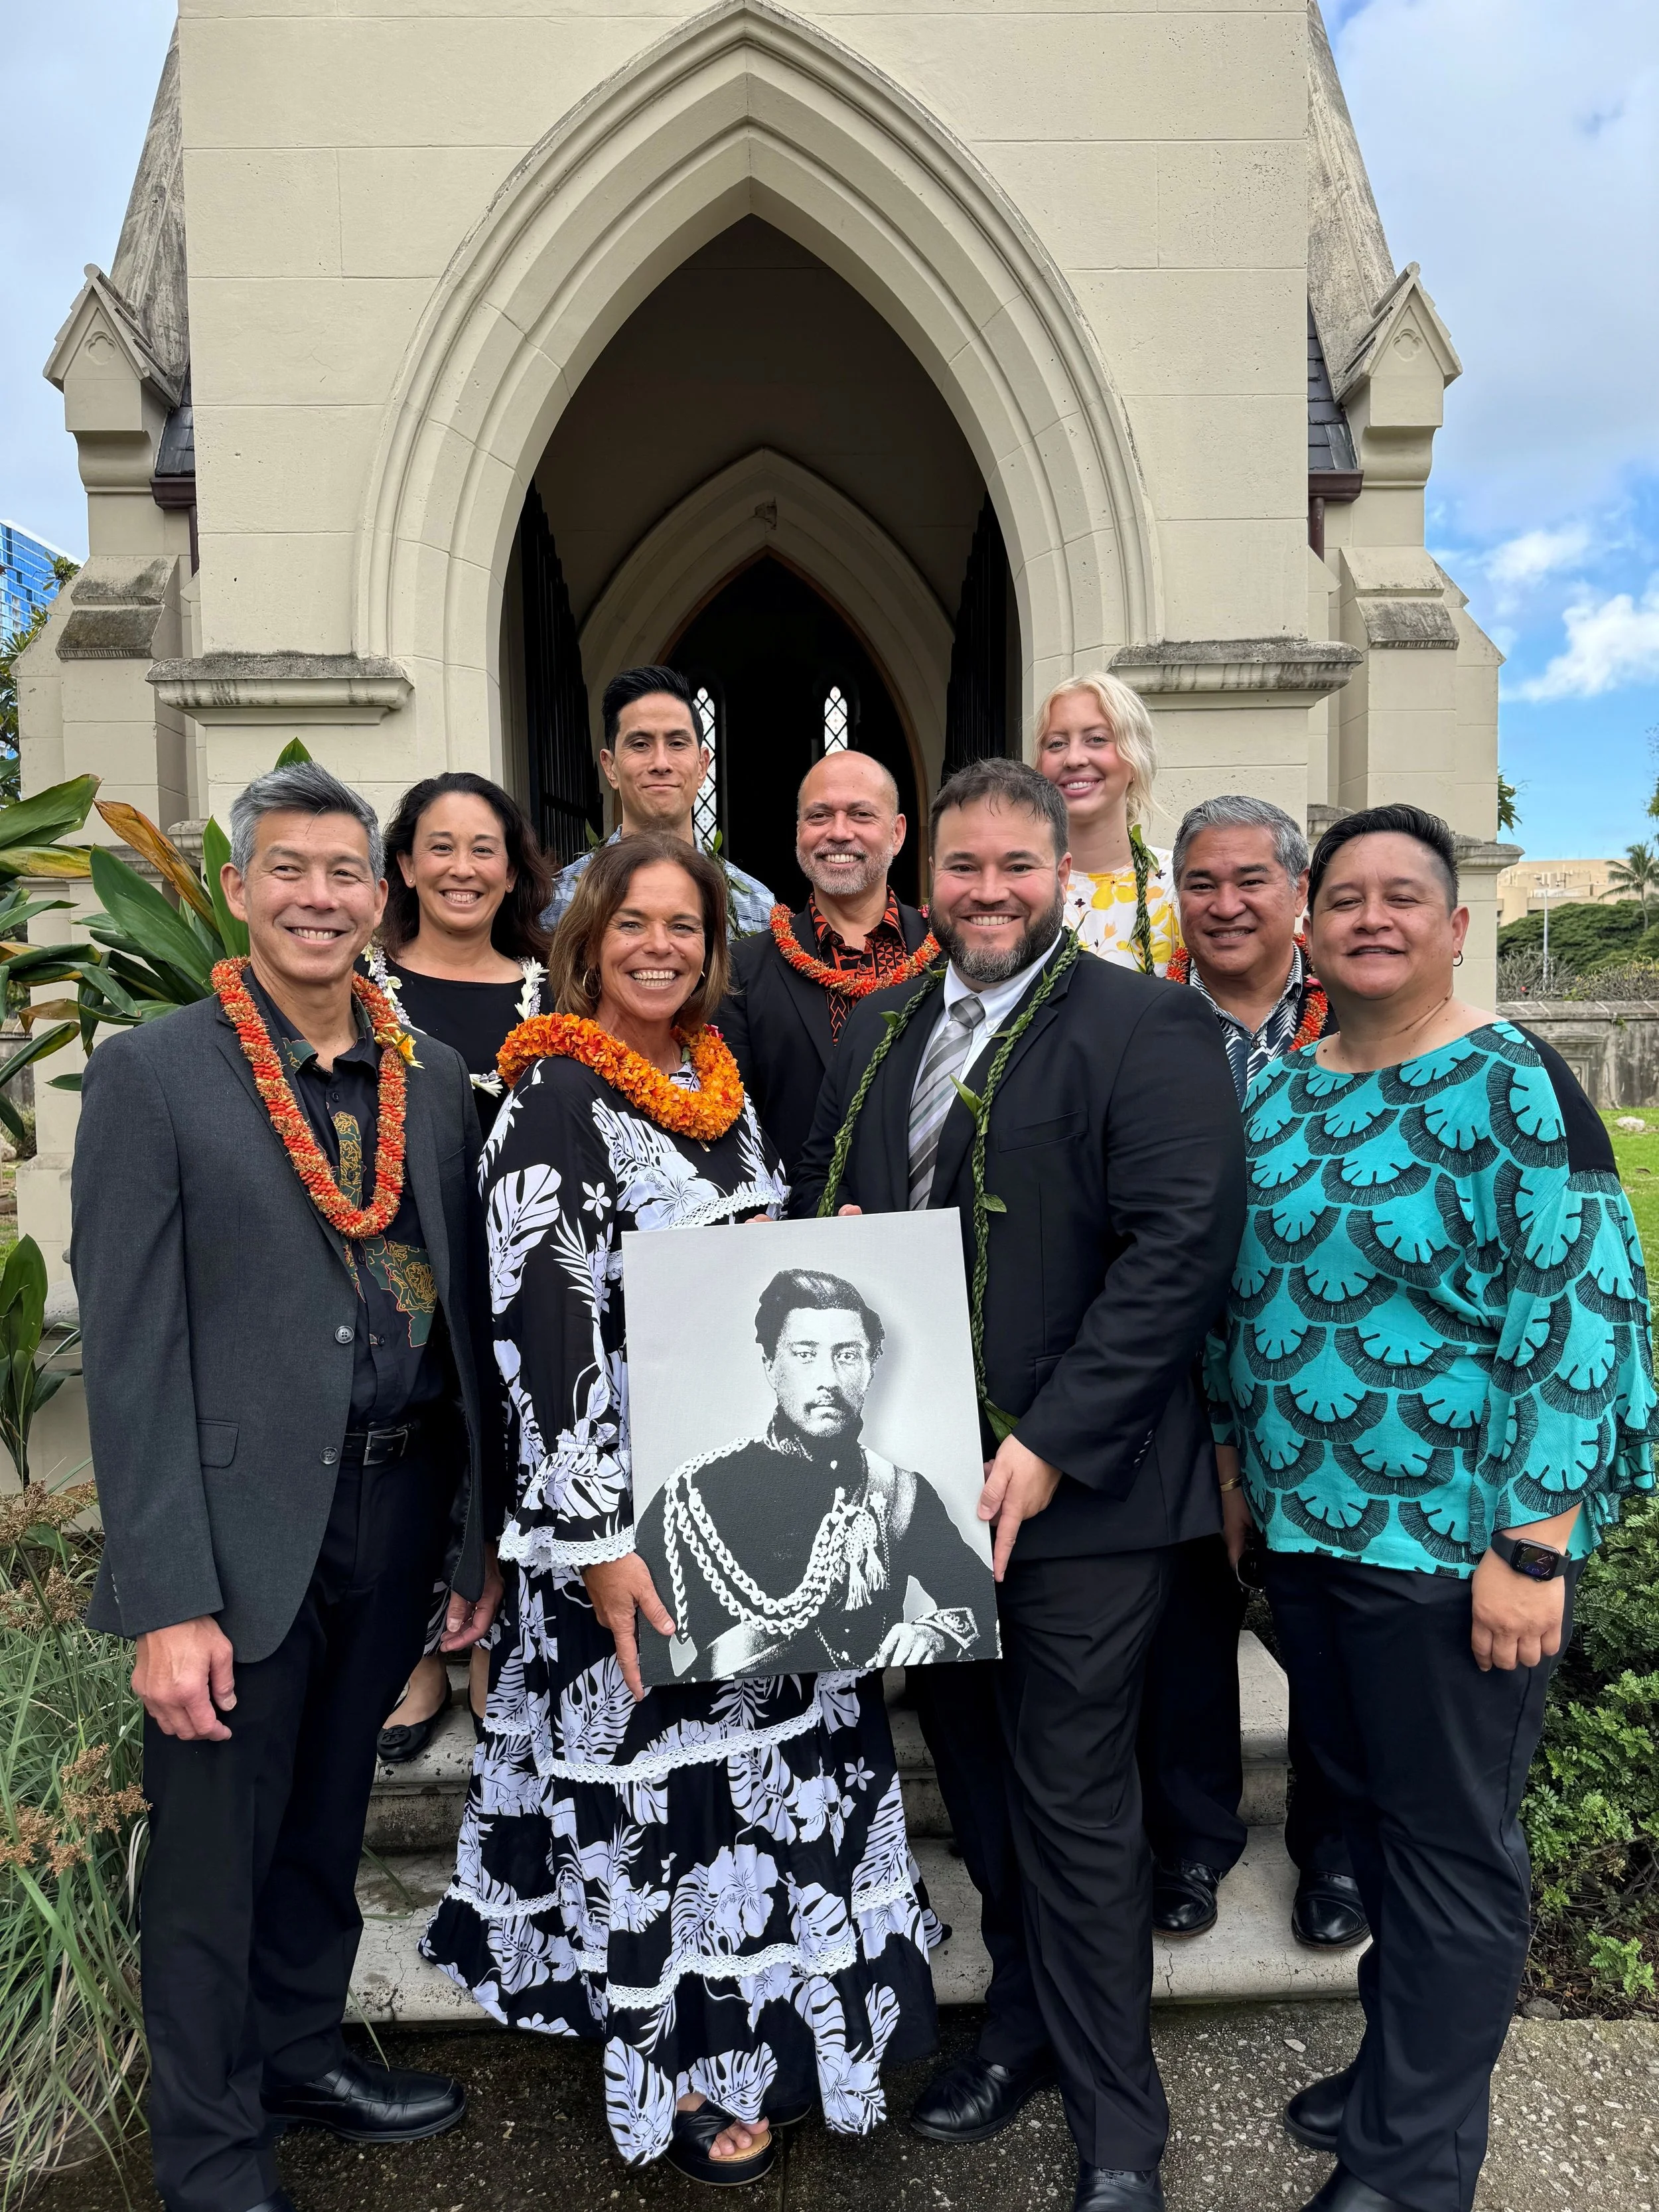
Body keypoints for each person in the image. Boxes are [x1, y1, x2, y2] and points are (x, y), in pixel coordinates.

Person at [423, 832, 939, 2187]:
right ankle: (699, 2076)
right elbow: (543, 1333)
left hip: (751, 1506)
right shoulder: (550, 1100)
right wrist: (598, 1541)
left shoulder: (709, 1083)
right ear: (584, 939)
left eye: (687, 926)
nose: (661, 944)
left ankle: (787, 2038)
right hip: (634, 1533)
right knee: (687, 1816)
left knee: (775, 1795)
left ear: (715, 948)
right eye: (634, 921)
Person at [793, 757, 1245, 2212]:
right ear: (930, 875)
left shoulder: (1147, 1025)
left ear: (1063, 873)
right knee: (979, 1785)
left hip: (1084, 1499)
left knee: (1069, 1796)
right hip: (917, 1493)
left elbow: (1175, 1256)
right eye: (965, 868)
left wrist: (1044, 1442)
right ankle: (1022, 2028)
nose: (987, 893)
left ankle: (1124, 2122)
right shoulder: (883, 1029)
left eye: (1015, 868)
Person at [1206, 802, 1655, 2212]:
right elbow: (1238, 1299)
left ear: (1453, 925)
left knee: (1452, 1849)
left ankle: (1410, 2166)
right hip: (1308, 1538)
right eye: (1341, 897)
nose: (1368, 918)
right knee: (1386, 1830)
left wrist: (1533, 1542)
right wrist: (1231, 1470)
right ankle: (1399, 2069)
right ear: (1305, 926)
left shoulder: (1515, 1083)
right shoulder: (1281, 1085)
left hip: (1455, 1551)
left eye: (1402, 894)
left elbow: (1579, 1322)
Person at [71, 761, 504, 2212]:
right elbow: (129, 1355)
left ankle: (303, 2054)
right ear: (244, 887)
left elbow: (465, 1310)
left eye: (342, 875)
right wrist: (166, 1597)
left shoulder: (433, 1082)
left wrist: (471, 1533)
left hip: (396, 1509)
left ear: (376, 901)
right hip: (237, 1528)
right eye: (290, 871)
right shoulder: (155, 1074)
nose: (318, 898)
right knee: (212, 1861)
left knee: (325, 1815)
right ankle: (209, 2154)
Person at [1136, 795, 1366, 1952]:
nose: (1224, 905)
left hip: (1316, 1372)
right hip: (1180, 1374)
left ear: (1296, 892)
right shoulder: (1143, 1022)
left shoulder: (1357, 1022)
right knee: (1190, 1615)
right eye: (1202, 882)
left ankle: (1333, 1853)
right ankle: (1191, 1839)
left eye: (1249, 881)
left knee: (1325, 1619)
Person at [369, 771, 553, 1763]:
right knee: (418, 1456)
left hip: (523, 1267)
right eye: (439, 847)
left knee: (519, 1448)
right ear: (403, 863)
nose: (461, 868)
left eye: (484, 848)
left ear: (511, 867)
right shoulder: (359, 987)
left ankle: (501, 1644)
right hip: (397, 1270)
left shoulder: (549, 984)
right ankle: (415, 1656)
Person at [635, 1266, 994, 1677]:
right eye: (805, 1355)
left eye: (848, 1355)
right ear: (770, 1365)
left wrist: (937, 1632)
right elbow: (644, 1654)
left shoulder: (902, 1495)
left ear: (872, 1367)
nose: (829, 1379)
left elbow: (984, 1601)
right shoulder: (692, 1495)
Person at [719, 749, 936, 1175]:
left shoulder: (948, 954)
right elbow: (735, 1125)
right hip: (799, 1221)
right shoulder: (742, 970)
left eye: (861, 815)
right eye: (819, 816)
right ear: (798, 831)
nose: (839, 833)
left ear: (897, 833)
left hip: (934, 1217)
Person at [541, 664, 774, 937]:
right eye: (640, 744)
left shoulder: (759, 909)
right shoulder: (557, 904)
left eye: (677, 743)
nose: (661, 764)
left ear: (702, 766)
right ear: (610, 767)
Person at [1033, 671, 1181, 976]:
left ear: (1135, 760)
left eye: (1097, 739)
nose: (1073, 758)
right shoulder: (1014, 885)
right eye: (1057, 743)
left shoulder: (1180, 886)